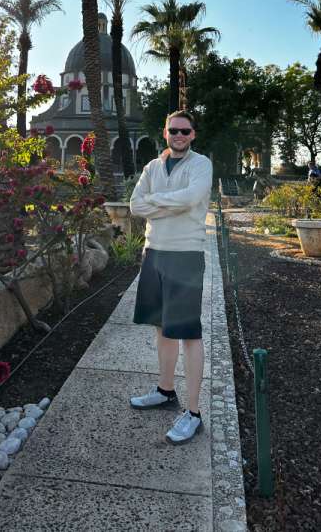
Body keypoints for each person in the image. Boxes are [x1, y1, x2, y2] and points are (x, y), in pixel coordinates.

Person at [128, 110, 213, 445]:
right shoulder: (152, 167)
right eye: (173, 130)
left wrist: (156, 202)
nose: (179, 136)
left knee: (189, 334)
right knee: (161, 327)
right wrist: (168, 205)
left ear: (193, 134)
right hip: (154, 254)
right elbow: (135, 205)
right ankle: (165, 390)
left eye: (185, 131)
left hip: (185, 256)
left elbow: (192, 198)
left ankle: (193, 413)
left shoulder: (201, 164)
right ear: (164, 133)